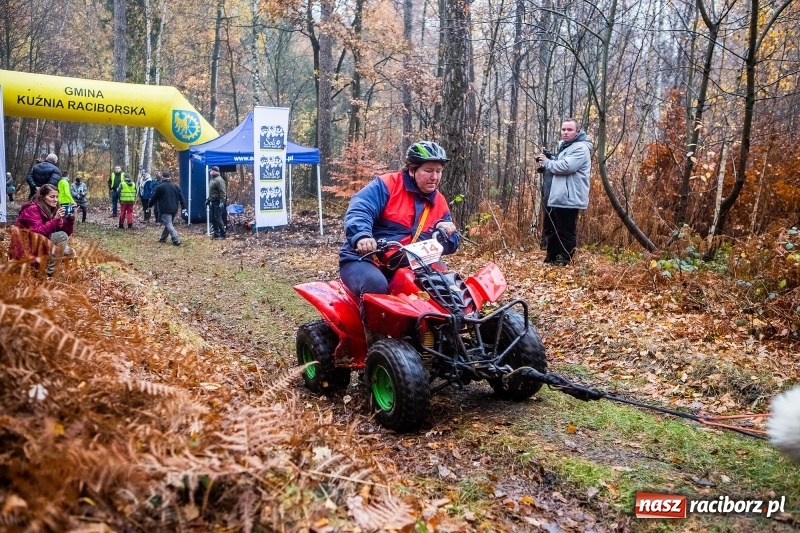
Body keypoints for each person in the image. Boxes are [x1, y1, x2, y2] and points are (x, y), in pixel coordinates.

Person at [339, 140, 460, 314]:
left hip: (411, 263)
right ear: (412, 170)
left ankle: (442, 333)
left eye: (439, 171)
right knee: (376, 286)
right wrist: (362, 236)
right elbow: (360, 209)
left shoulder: (438, 201)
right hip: (365, 259)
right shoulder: (387, 185)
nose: (435, 177)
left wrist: (445, 233)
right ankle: (374, 337)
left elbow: (452, 244)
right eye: (428, 171)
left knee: (445, 285)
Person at [536, 118, 593, 265]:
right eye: (563, 130)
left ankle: (565, 261)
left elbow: (566, 166)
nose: (566, 132)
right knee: (552, 230)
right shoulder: (566, 147)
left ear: (577, 132)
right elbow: (560, 163)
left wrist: (548, 162)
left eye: (569, 130)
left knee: (566, 232)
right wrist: (551, 159)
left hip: (570, 197)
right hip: (557, 196)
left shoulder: (580, 148)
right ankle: (551, 259)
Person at [10, 183, 75, 275]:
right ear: (42, 197)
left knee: (69, 252)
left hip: (42, 241)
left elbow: (64, 232)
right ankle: (50, 274)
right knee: (61, 237)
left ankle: (45, 265)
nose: (55, 200)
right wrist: (55, 219)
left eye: (57, 197)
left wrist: (70, 219)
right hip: (26, 244)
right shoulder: (32, 209)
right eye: (52, 197)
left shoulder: (54, 209)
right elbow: (37, 233)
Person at [149, 171, 186, 246]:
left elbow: (154, 198)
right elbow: (181, 198)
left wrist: (149, 205)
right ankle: (163, 238)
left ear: (162, 177)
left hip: (165, 209)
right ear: (170, 177)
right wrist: (184, 207)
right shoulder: (175, 186)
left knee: (169, 224)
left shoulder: (160, 187)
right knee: (169, 224)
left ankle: (176, 239)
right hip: (174, 208)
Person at [207, 166, 227, 240]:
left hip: (218, 201)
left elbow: (223, 192)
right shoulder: (213, 180)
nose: (210, 172)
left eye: (211, 171)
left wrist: (222, 202)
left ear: (214, 171)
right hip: (213, 201)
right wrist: (208, 199)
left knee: (218, 218)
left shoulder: (219, 180)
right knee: (213, 218)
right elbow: (212, 192)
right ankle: (216, 233)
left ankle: (223, 234)